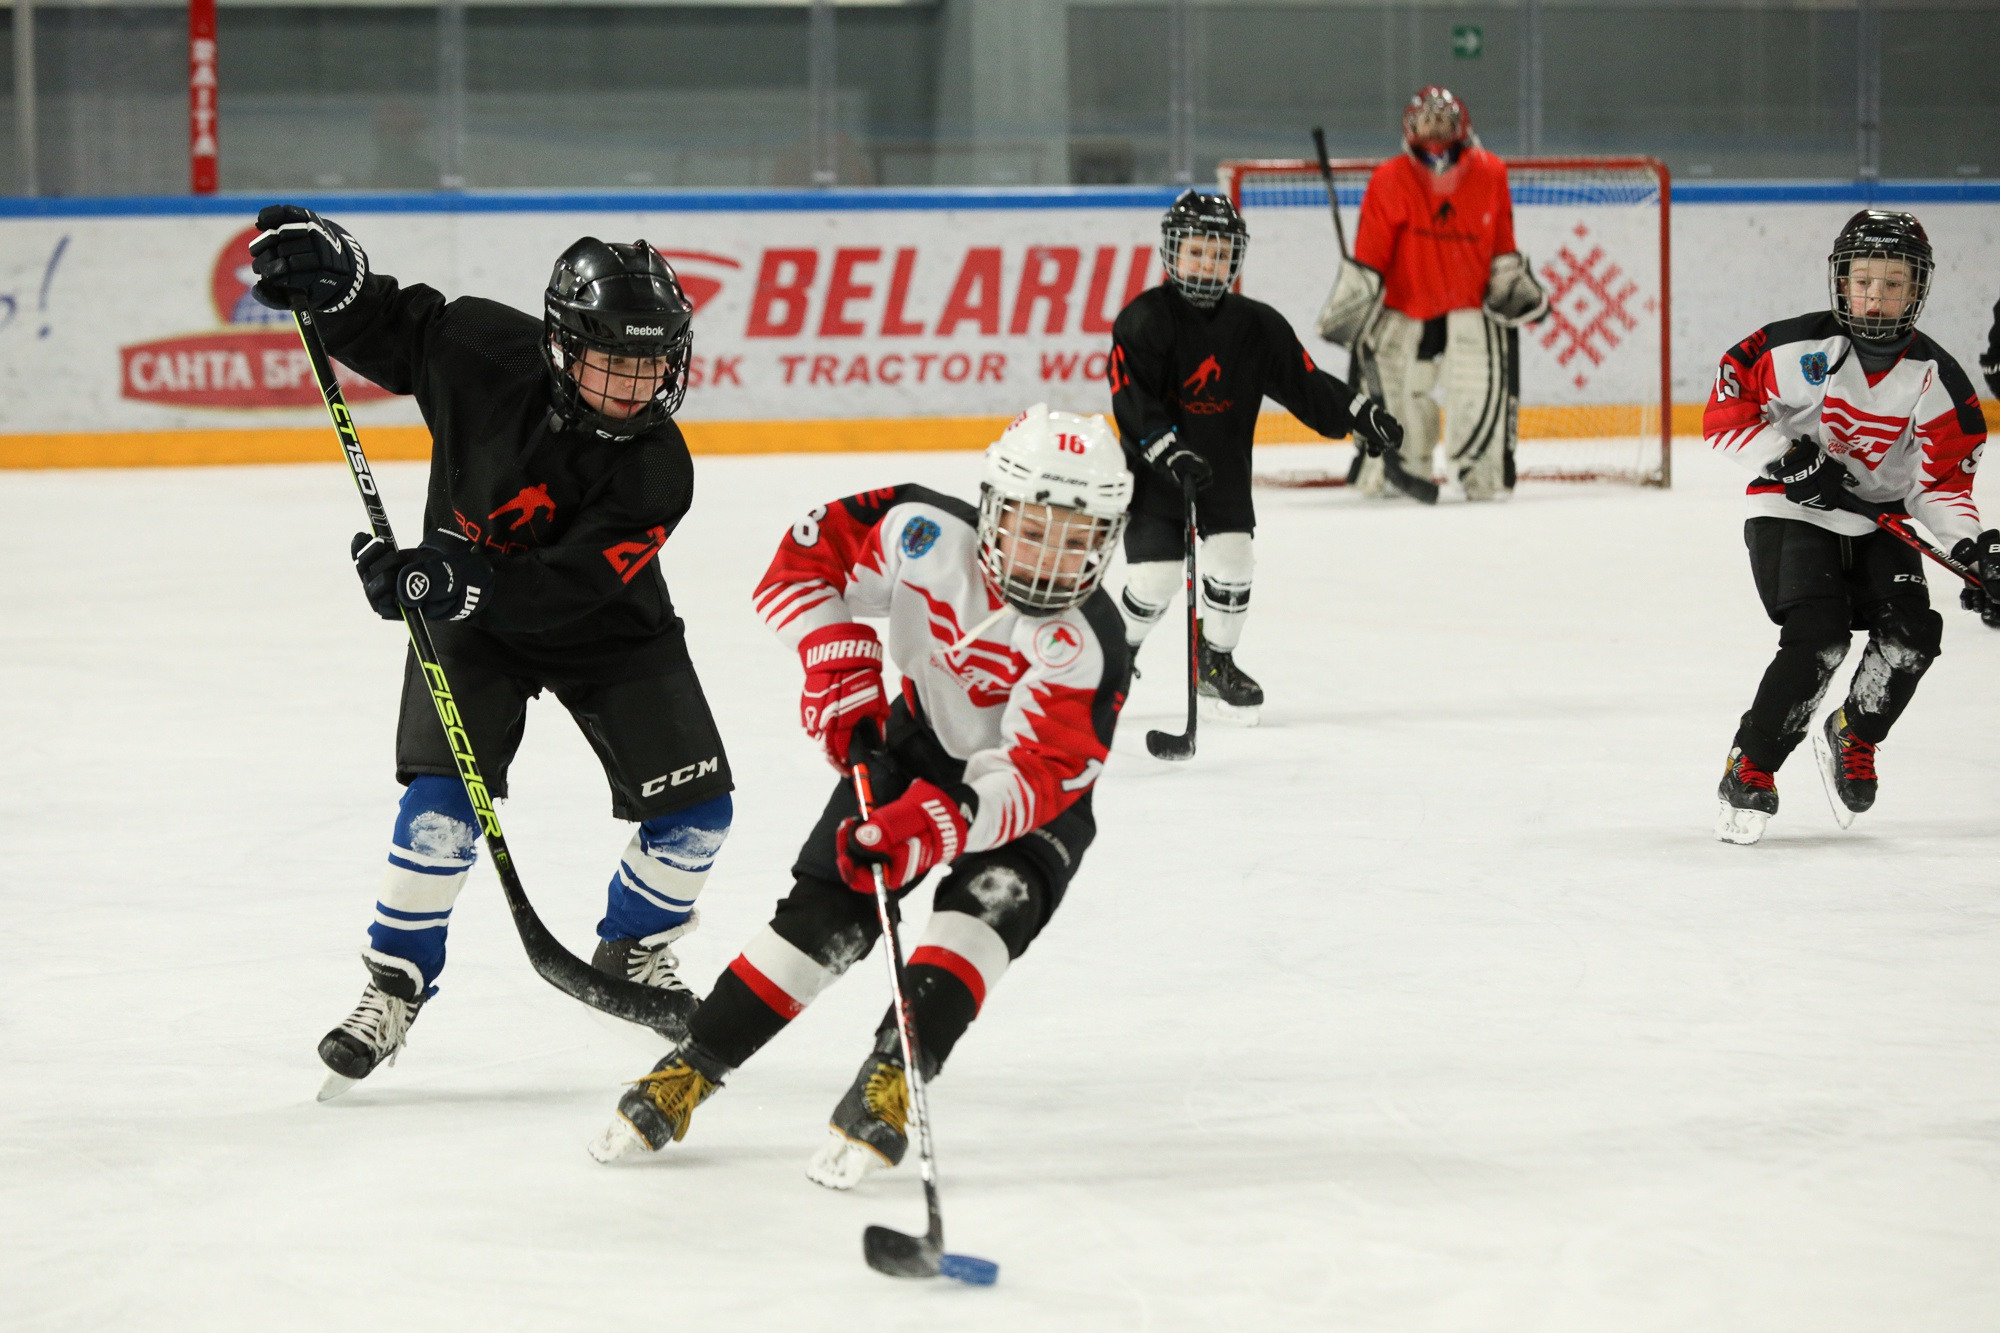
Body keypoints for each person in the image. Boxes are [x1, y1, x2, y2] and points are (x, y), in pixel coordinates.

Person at [247, 205, 736, 1094]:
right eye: (613, 361)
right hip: (468, 621)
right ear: (561, 346)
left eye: (653, 362)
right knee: (439, 809)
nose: (637, 385)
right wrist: (340, 282)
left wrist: (448, 580)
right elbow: (388, 324)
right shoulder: (479, 349)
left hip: (607, 625)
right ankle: (394, 984)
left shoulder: (660, 467)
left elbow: (571, 585)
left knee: (698, 816)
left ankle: (634, 944)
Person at [587, 405, 1132, 1187]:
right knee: (822, 913)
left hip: (1021, 800)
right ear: (993, 509)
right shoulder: (920, 532)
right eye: (1034, 528)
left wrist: (942, 823)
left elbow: (1042, 772)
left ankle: (891, 1079)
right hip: (914, 745)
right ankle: (695, 1061)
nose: (1049, 559)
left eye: (1076, 540)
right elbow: (800, 563)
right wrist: (833, 654)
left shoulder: (1088, 642)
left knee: (984, 914)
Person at [1704, 209, 1997, 845]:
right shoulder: (1793, 349)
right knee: (1819, 635)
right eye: (1863, 281)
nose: (1875, 296)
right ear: (1842, 282)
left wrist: (1975, 551)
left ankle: (1854, 733)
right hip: (1789, 509)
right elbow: (1724, 413)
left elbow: (1942, 484)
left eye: (1893, 283)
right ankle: (1750, 766)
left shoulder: (1937, 379)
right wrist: (1788, 459)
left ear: (1916, 290)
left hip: (1879, 518)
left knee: (1914, 633)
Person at [1109, 189, 1402, 720]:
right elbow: (1134, 400)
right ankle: (1112, 657)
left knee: (1234, 562)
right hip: (1158, 475)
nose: (1208, 264)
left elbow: (1305, 383)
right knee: (1155, 579)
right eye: (1197, 252)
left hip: (1222, 471)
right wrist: (1168, 451)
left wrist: (1359, 415)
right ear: (1173, 251)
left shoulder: (1256, 326)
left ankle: (1214, 663)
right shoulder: (1144, 319)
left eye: (1220, 254)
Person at [1316, 86, 1548, 500]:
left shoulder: (1491, 172)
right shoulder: (1389, 179)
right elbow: (1370, 260)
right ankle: (1397, 469)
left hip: (1471, 309)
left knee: (1476, 394)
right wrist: (1355, 309)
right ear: (1410, 128)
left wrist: (1513, 288)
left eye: (1443, 121)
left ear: (1462, 127)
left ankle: (1480, 471)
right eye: (1426, 122)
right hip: (1405, 309)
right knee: (1400, 397)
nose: (1435, 130)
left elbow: (1502, 245)